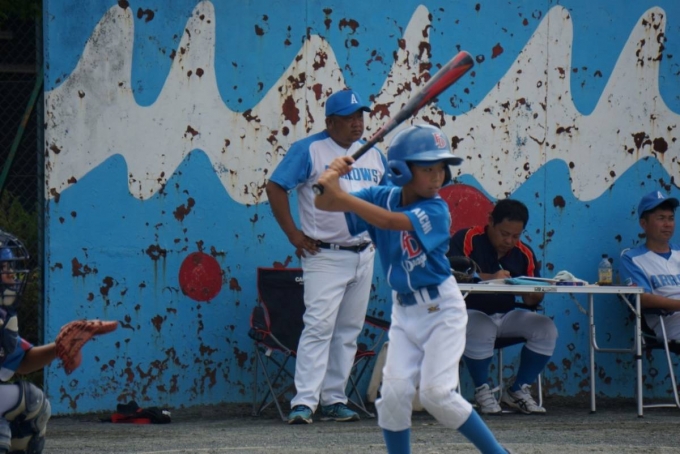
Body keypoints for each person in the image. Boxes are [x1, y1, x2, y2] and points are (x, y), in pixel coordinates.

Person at [315, 124, 512, 454]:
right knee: (392, 397)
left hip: (441, 311)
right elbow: (324, 203)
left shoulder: (436, 209)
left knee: (437, 395)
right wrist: (329, 177)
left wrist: (342, 194)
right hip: (404, 313)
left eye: (441, 168)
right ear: (400, 170)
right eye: (427, 168)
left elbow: (389, 222)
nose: (437, 177)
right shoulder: (381, 196)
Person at [265, 89, 389, 424]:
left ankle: (334, 398)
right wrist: (293, 234)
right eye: (349, 118)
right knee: (319, 327)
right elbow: (275, 186)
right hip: (324, 254)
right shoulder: (310, 149)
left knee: (348, 330)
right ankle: (304, 402)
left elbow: (388, 197)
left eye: (360, 116)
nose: (357, 123)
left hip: (363, 252)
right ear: (330, 122)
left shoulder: (374, 154)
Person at [0, 229, 117, 453]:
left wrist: (59, 347)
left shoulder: (4, 319)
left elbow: (21, 361)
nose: (12, 276)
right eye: (5, 269)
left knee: (35, 405)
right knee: (24, 402)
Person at [448, 199, 557, 415]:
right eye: (504, 234)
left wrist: (535, 292)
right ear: (490, 221)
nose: (509, 241)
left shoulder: (524, 253)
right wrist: (492, 278)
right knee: (483, 326)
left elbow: (531, 301)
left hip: (505, 315)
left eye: (516, 236)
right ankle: (482, 390)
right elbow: (451, 276)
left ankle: (517, 391)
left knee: (546, 328)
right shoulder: (467, 238)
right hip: (465, 314)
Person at [620, 190, 680, 341]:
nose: (667, 224)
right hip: (670, 322)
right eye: (661, 218)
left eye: (671, 218)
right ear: (644, 223)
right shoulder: (632, 259)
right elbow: (642, 298)